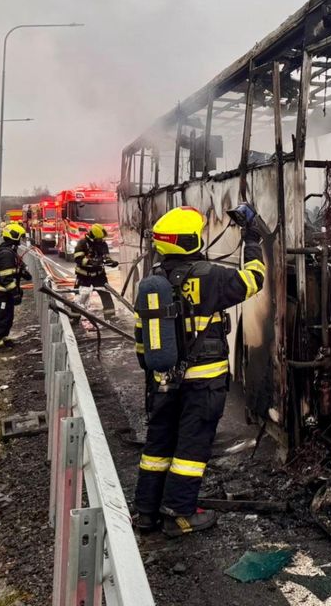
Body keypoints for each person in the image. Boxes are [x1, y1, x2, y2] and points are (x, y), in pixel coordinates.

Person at [132, 205, 265, 535]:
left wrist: (157, 376)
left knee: (158, 446)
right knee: (191, 449)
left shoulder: (151, 285)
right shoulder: (214, 276)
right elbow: (254, 279)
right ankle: (179, 514)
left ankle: (146, 513)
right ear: (191, 240)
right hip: (204, 383)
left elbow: (141, 342)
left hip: (163, 381)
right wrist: (252, 240)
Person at [0, 222, 32, 351]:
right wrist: (15, 293)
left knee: (8, 316)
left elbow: (13, 270)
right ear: (14, 236)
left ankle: (3, 338)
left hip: (7, 292)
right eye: (20, 237)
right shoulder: (6, 254)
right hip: (2, 292)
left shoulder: (10, 251)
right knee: (0, 316)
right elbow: (6, 277)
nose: (21, 240)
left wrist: (22, 271)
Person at [72, 223, 117, 320]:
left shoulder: (102, 244)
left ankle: (110, 317)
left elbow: (105, 258)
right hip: (84, 276)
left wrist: (111, 263)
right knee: (79, 298)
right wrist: (91, 262)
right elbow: (78, 258)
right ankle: (74, 319)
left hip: (99, 276)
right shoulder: (82, 243)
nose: (101, 241)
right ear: (92, 236)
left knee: (106, 296)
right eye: (99, 239)